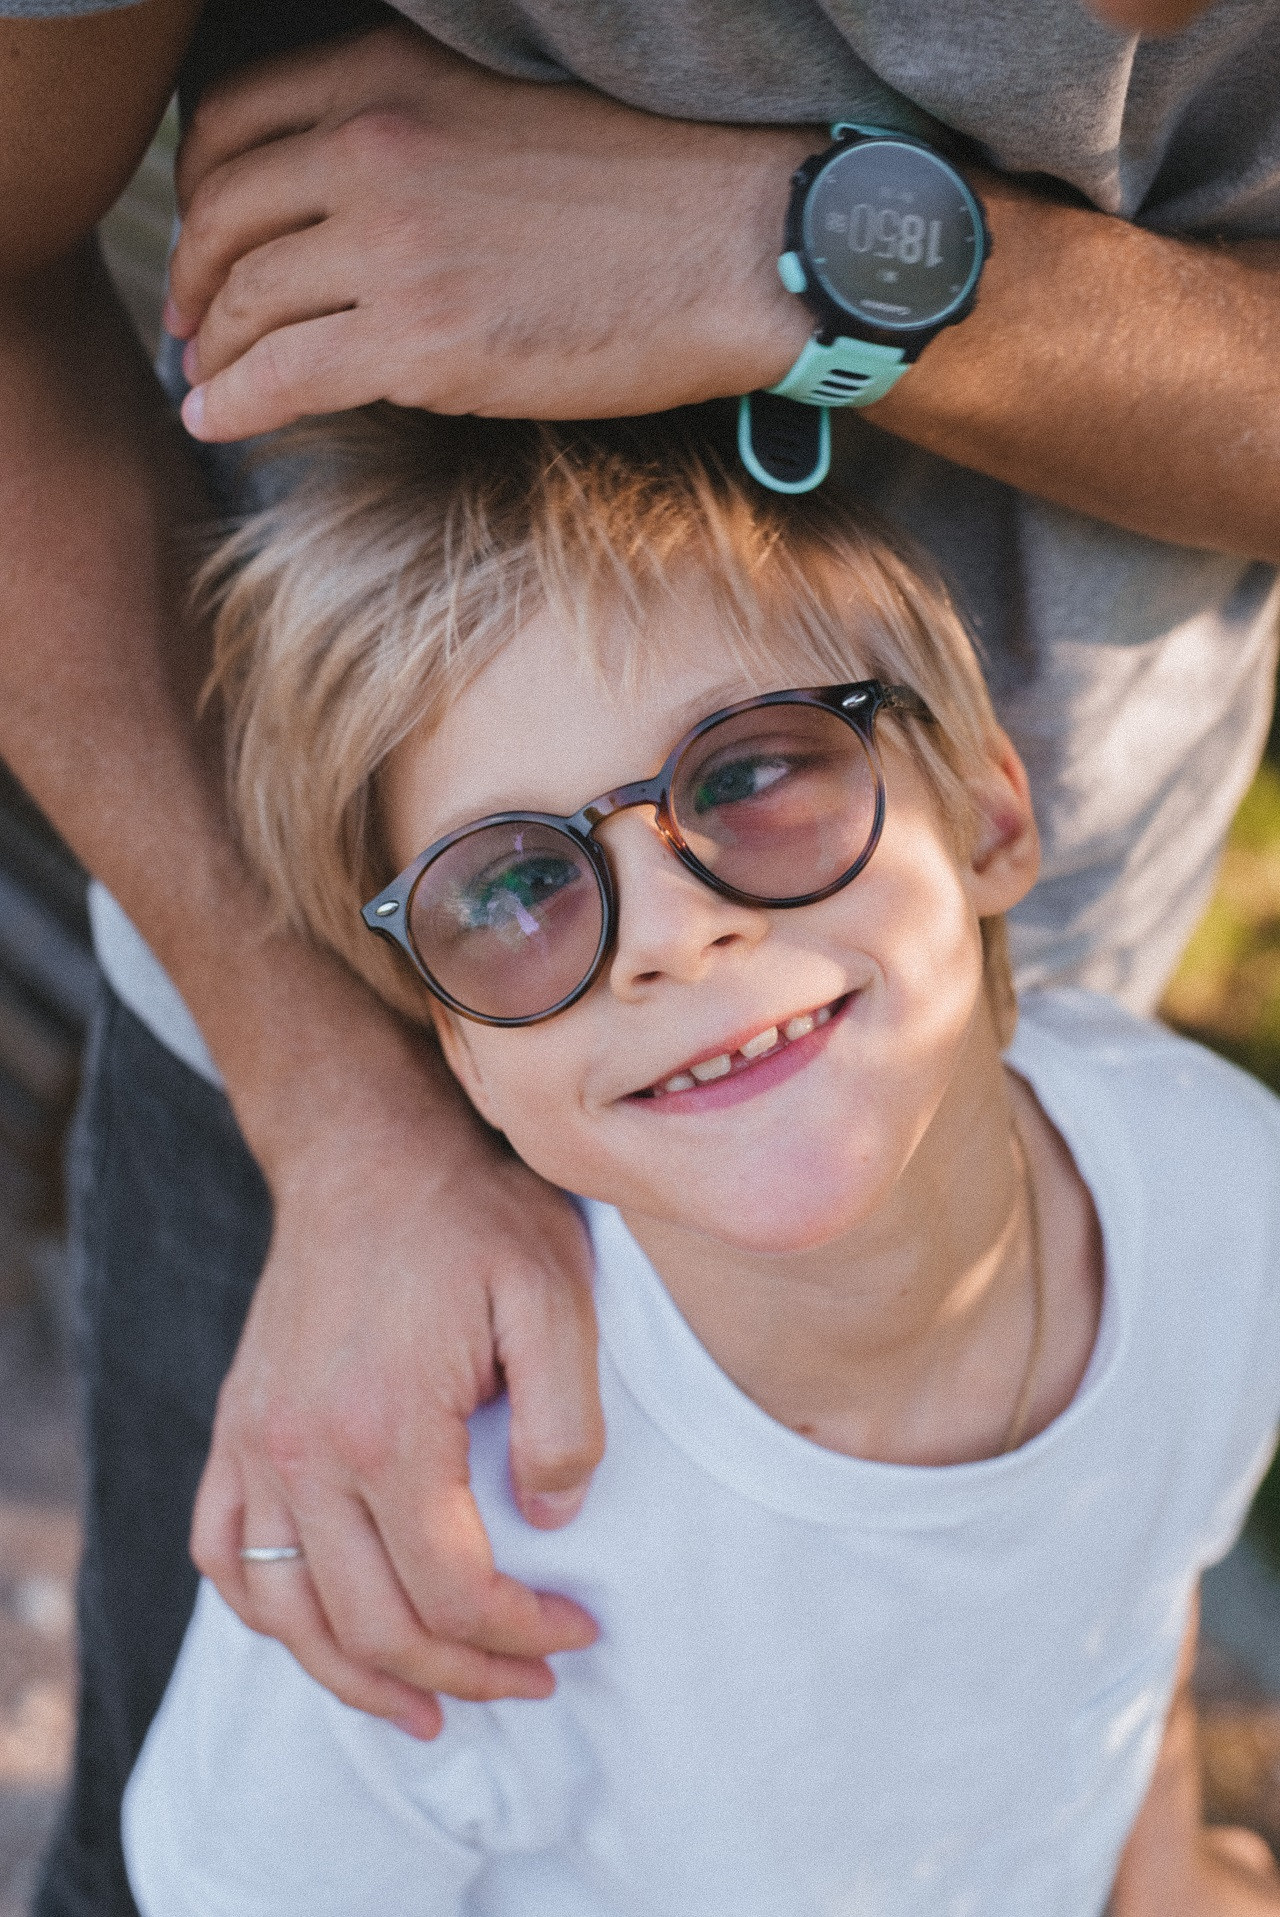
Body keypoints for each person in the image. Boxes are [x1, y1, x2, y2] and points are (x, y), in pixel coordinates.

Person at [2, 3, 1278, 1913]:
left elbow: (1129, 1577)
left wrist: (1161, 1864)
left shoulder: (1206, 1189)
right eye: (512, 890)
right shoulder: (435, 1541)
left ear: (993, 808)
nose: (675, 930)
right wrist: (334, 1121)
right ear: (436, 1027)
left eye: (753, 777)